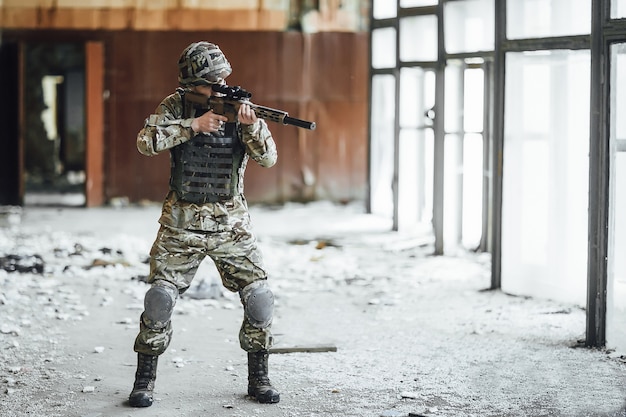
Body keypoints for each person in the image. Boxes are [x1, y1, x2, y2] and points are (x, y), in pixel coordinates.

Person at [129, 41, 280, 407]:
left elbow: (269, 159)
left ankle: (259, 378)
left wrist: (253, 126)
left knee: (260, 299)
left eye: (221, 80)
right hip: (181, 223)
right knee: (159, 301)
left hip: (231, 224)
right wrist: (192, 126)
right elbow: (145, 142)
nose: (219, 89)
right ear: (191, 85)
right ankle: (143, 381)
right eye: (210, 84)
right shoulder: (175, 106)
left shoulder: (240, 109)